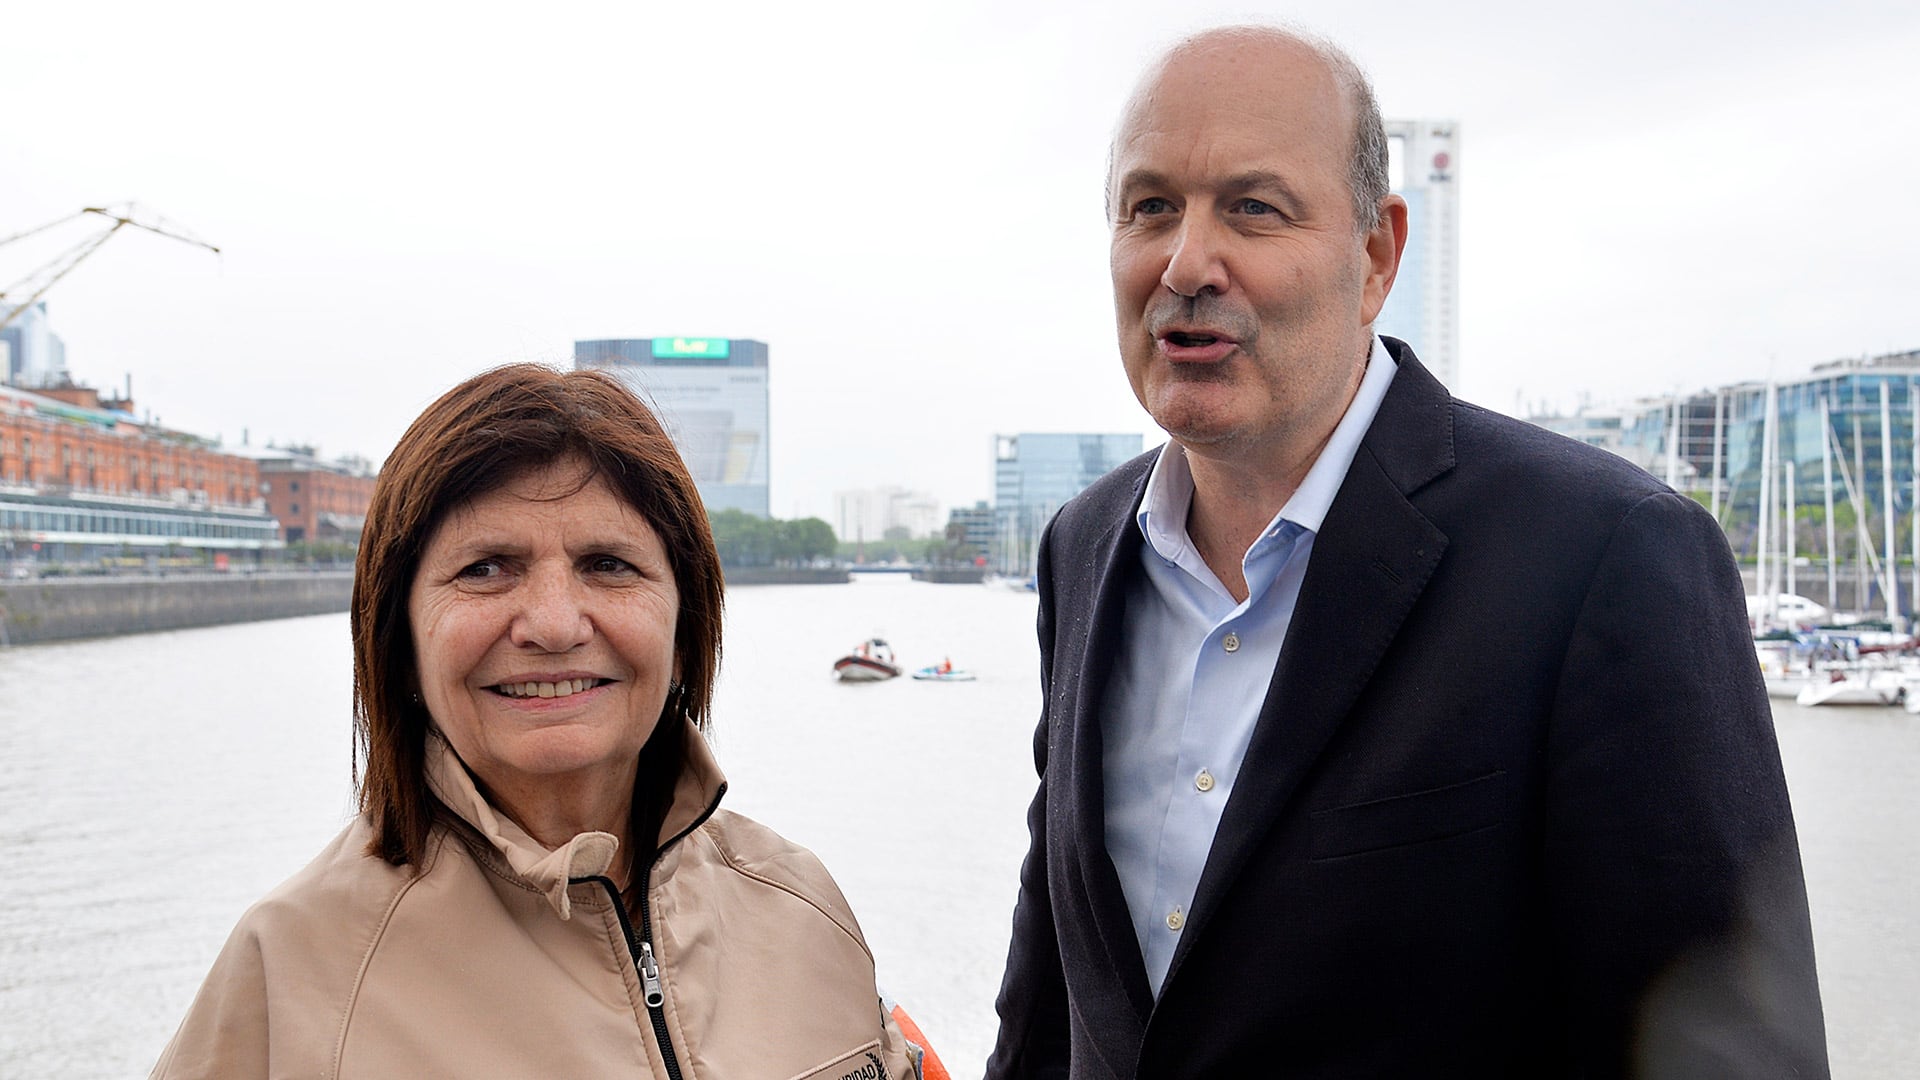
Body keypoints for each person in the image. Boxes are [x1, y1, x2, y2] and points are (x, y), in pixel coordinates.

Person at [986, 25, 1828, 1079]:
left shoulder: (1608, 554)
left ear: (1376, 253)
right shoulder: (1083, 548)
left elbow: (1728, 1052)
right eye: (1151, 206)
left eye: (1253, 207)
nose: (1187, 262)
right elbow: (1050, 999)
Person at [152, 364, 927, 1079]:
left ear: (685, 625)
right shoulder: (292, 973)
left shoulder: (804, 907)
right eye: (485, 568)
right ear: (398, 641)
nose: (554, 625)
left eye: (608, 564)